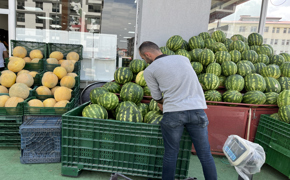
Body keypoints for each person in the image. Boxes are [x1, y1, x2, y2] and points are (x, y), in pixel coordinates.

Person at [139, 41, 217, 180]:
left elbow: (156, 96)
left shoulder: (150, 70)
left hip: (173, 113)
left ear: (147, 54)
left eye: (143, 58)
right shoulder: (183, 58)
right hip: (197, 111)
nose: (145, 61)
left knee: (171, 153)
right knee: (205, 154)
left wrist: (161, 103)